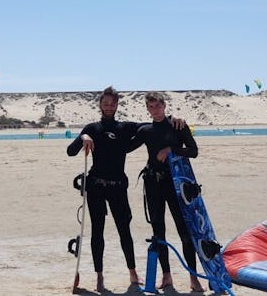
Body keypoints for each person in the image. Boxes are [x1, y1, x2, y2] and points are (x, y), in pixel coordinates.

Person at [66, 86, 185, 292]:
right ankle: (99, 277)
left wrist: (176, 118)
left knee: (124, 231)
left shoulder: (126, 127)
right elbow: (70, 151)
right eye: (105, 104)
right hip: (96, 186)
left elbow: (154, 123)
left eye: (112, 104)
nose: (109, 107)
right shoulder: (91, 128)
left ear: (117, 105)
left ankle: (132, 272)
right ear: (100, 105)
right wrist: (82, 138)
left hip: (118, 187)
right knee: (97, 232)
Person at [128, 91, 204, 292]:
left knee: (184, 230)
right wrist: (93, 136)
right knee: (158, 231)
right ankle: (167, 276)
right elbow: (125, 146)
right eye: (150, 107)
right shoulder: (146, 130)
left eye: (157, 106)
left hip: (175, 184)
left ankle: (193, 276)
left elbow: (193, 151)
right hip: (153, 184)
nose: (155, 110)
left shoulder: (178, 125)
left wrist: (171, 149)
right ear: (147, 108)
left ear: (164, 105)